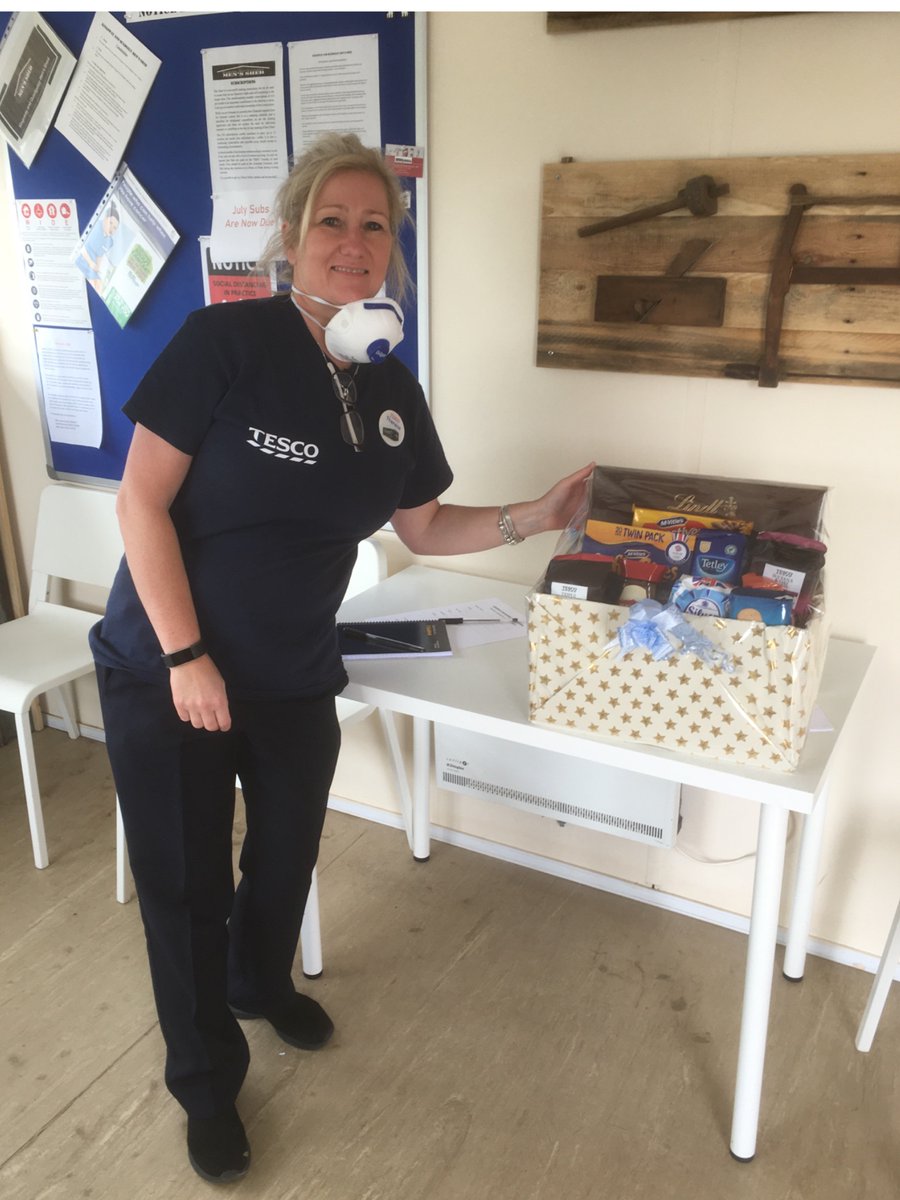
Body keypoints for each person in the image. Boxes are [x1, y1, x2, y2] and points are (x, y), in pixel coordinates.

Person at [90, 131, 592, 1185]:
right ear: (289, 237)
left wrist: (535, 518)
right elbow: (140, 502)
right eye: (333, 221)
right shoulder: (219, 346)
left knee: (282, 857)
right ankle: (207, 1086)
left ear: (391, 253)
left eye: (376, 227)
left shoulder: (390, 385)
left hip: (292, 669)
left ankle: (258, 984)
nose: (355, 242)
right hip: (168, 670)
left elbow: (422, 525)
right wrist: (185, 655)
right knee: (185, 891)